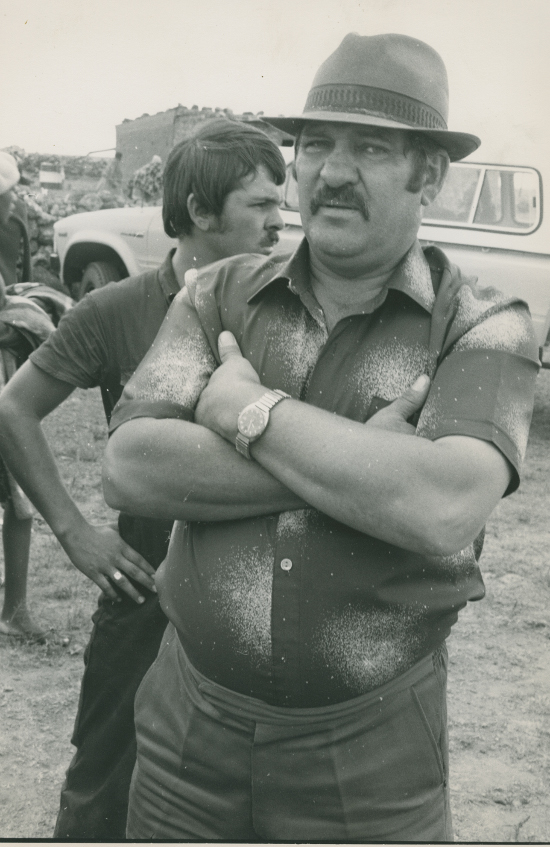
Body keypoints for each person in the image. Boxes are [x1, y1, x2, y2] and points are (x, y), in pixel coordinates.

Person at [104, 33, 539, 843]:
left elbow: (441, 504)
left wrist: (245, 412)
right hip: (184, 738)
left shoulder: (484, 325)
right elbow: (130, 466)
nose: (331, 171)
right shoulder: (219, 292)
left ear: (430, 175)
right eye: (314, 144)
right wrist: (361, 460)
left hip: (370, 764)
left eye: (371, 147)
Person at [0, 119, 286, 839]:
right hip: (144, 595)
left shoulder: (288, 311)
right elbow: (15, 406)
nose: (281, 221)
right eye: (260, 204)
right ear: (198, 210)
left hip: (266, 603)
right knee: (103, 787)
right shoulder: (117, 310)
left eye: (281, 203)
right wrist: (72, 530)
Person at [0, 151, 57, 640]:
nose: (13, 200)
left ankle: (14, 608)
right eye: (6, 194)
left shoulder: (13, 227)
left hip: (5, 376)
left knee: (17, 497)